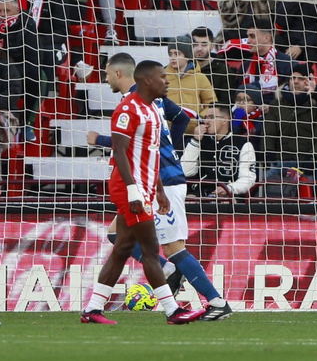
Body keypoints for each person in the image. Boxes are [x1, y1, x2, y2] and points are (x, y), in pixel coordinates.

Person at [87, 52, 232, 319]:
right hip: (154, 179)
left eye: (107, 73)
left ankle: (215, 301)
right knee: (117, 235)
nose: (166, 81)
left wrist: (101, 139)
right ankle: (159, 278)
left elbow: (130, 145)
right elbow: (179, 120)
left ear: (119, 73)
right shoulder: (149, 101)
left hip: (162, 179)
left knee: (173, 247)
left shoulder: (144, 101)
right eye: (163, 77)